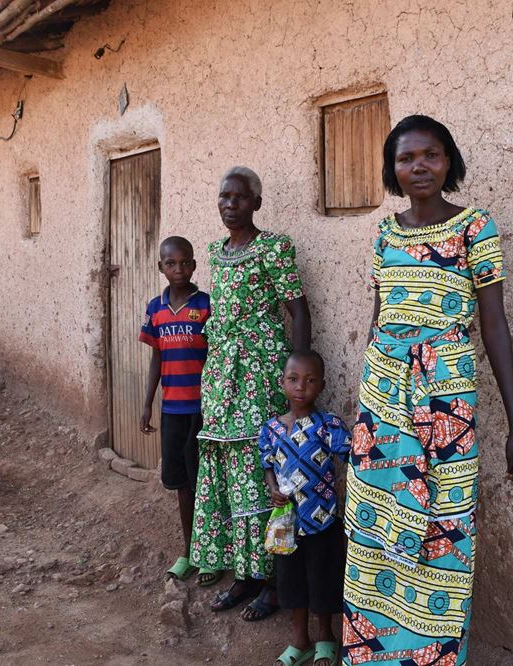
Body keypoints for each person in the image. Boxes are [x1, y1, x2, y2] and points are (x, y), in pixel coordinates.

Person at [342, 115, 513, 665]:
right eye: (406, 158)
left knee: (442, 529)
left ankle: (431, 656)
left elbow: (494, 326)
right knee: (377, 527)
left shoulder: (476, 227)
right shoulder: (385, 232)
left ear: (449, 162)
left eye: (430, 155)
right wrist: (367, 410)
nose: (418, 166)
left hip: (446, 399)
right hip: (382, 399)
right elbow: (380, 317)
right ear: (392, 169)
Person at [190, 166, 312, 621]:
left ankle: (275, 581)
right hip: (221, 375)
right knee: (227, 470)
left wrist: (299, 378)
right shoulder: (214, 253)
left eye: (240, 198)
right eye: (224, 196)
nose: (230, 204)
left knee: (265, 472)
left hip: (260, 373)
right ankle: (245, 572)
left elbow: (298, 310)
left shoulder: (273, 248)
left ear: (256, 204)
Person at [259, 351, 350, 666]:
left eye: (310, 381)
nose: (301, 387)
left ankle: (326, 635)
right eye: (294, 380)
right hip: (287, 523)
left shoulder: (329, 426)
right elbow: (267, 464)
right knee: (292, 581)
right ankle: (300, 639)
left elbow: (351, 458)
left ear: (322, 386)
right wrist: (272, 489)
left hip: (322, 521)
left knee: (322, 579)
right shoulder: (272, 429)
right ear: (282, 382)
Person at [139, 236, 211, 582]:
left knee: (206, 483)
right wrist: (147, 404)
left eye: (185, 263)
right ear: (161, 268)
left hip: (205, 411)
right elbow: (157, 358)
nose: (178, 269)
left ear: (195, 266)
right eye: (171, 263)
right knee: (182, 484)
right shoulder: (156, 308)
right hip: (173, 411)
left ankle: (211, 553)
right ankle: (189, 551)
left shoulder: (206, 306)